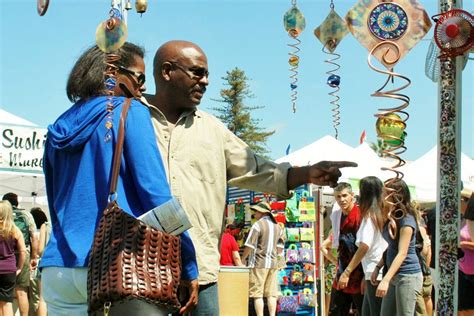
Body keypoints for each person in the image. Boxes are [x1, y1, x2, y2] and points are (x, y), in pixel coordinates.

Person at [143, 39, 357, 315]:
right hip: (142, 272)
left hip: (201, 274)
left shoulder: (212, 131)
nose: (206, 81)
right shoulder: (132, 120)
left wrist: (307, 173)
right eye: (197, 72)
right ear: (166, 71)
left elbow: (257, 170)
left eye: (207, 74)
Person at [40, 42, 198, 315]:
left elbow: (56, 205)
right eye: (138, 78)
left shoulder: (59, 127)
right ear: (111, 73)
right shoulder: (129, 111)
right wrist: (188, 261)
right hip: (117, 265)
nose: (142, 89)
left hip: (58, 268)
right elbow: (156, 195)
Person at [372, 179, 423, 316]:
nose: (381, 196)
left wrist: (385, 279)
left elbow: (402, 253)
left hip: (408, 275)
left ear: (394, 196)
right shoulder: (392, 218)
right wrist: (378, 267)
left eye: (385, 193)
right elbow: (392, 247)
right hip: (394, 274)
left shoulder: (406, 220)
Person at [337, 176, 387, 316]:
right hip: (374, 271)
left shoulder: (369, 216)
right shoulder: (379, 214)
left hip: (374, 271)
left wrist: (347, 272)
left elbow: (365, 245)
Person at [241, 202, 284, 316]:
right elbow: (280, 249)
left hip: (259, 263)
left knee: (257, 295)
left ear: (262, 212)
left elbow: (249, 245)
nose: (255, 214)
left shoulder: (257, 225)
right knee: (271, 294)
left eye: (256, 211)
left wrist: (243, 258)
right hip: (273, 264)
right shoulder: (278, 227)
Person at [329, 182, 364, 315]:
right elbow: (331, 244)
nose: (342, 200)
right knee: (336, 311)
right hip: (342, 269)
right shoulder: (337, 215)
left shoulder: (360, 215)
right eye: (338, 197)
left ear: (352, 196)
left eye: (344, 195)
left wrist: (348, 273)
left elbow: (363, 247)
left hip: (359, 271)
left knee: (362, 311)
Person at [1, 193, 38, 316]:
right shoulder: (26, 215)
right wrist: (34, 257)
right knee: (21, 292)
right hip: (21, 257)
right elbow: (34, 237)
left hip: (5, 260)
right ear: (16, 202)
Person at [0, 201, 26, 316]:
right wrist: (19, 267)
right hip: (9, 270)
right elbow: (23, 251)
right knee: (7, 302)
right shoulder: (15, 230)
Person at [28, 207, 50, 316]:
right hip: (62, 267)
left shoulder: (44, 226)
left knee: (41, 299)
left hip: (43, 265)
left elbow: (41, 250)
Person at [458, 189, 474, 316]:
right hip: (463, 270)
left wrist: (463, 244)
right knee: (463, 308)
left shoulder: (471, 222)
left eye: (460, 199)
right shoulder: (461, 220)